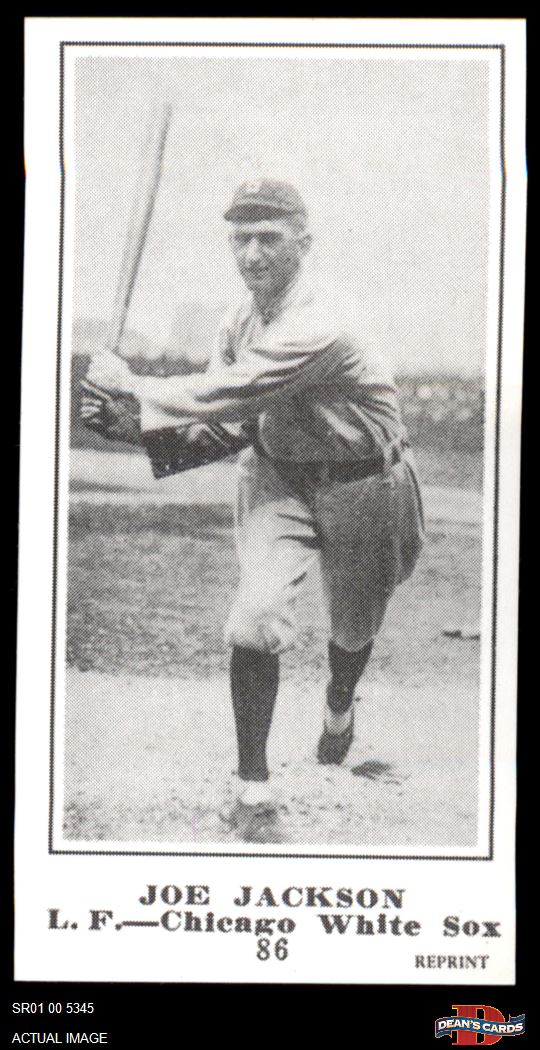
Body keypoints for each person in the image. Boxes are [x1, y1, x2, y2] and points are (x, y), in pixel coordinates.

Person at [88, 178, 425, 842]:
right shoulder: (237, 320)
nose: (251, 254)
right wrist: (135, 431)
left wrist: (135, 388)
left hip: (365, 480)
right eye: (240, 239)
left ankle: (338, 706)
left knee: (354, 626)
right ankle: (254, 788)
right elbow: (233, 423)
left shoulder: (326, 318)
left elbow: (237, 387)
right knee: (254, 617)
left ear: (304, 241)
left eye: (268, 238)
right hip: (277, 477)